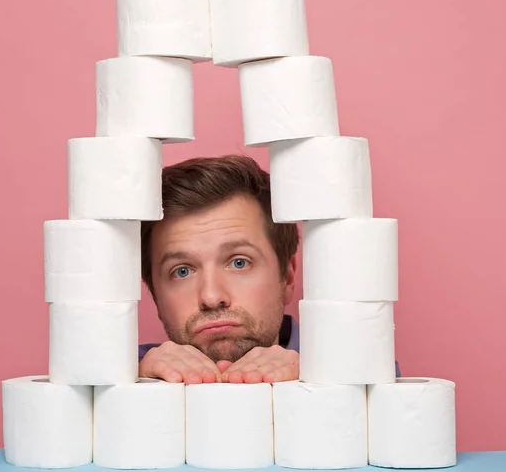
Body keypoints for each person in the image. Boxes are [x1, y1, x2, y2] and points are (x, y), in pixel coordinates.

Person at [138, 154, 400, 384]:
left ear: (286, 277)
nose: (211, 297)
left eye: (239, 262)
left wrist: (322, 382)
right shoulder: (118, 377)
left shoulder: (368, 378)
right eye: (182, 271)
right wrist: (126, 386)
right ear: (155, 294)